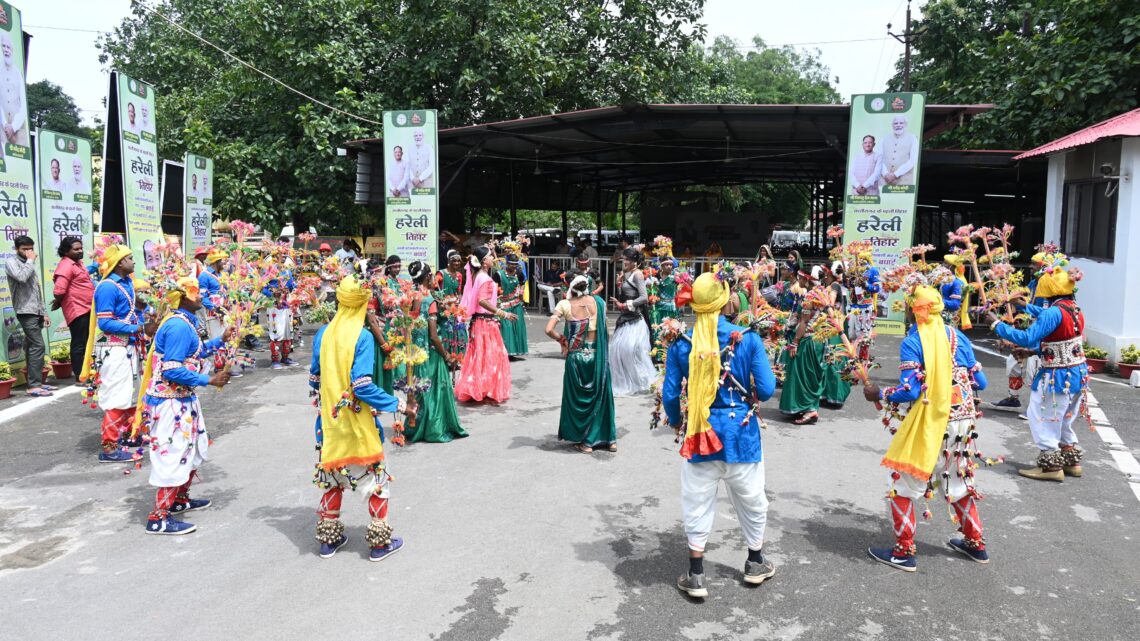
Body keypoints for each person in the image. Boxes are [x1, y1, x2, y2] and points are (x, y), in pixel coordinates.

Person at [862, 284, 990, 571]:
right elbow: (981, 384)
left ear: (914, 310)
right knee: (958, 483)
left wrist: (879, 394)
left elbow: (910, 391)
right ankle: (975, 543)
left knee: (903, 485)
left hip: (932, 423)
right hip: (963, 423)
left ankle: (904, 551)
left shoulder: (914, 341)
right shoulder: (958, 338)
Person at [665, 272, 778, 598]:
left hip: (700, 435)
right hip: (741, 435)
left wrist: (676, 423)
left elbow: (672, 396)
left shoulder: (681, 344)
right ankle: (755, 562)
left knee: (696, 501)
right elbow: (768, 390)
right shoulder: (749, 339)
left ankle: (696, 573)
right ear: (725, 300)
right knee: (753, 500)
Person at [310, 276, 409, 561]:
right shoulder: (363, 337)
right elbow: (362, 385)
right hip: (357, 423)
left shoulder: (324, 334)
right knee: (376, 479)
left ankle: (328, 541)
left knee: (332, 476)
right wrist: (397, 404)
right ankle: (379, 545)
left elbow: (315, 379)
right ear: (363, 304)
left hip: (329, 422)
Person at [134, 277, 234, 535]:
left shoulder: (184, 322)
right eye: (196, 292)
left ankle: (178, 500)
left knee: (192, 449)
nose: (201, 296)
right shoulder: (178, 326)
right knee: (174, 454)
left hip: (182, 400)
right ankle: (159, 517)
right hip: (170, 403)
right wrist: (208, 379)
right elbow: (172, 369)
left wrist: (221, 339)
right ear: (184, 298)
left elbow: (196, 352)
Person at [986, 254, 1088, 482]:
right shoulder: (1073, 308)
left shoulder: (1054, 312)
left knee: (1042, 415)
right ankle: (1070, 460)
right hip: (1076, 373)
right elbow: (1063, 339)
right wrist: (1034, 351)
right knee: (1064, 417)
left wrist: (997, 324)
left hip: (1057, 376)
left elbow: (1027, 336)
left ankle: (1050, 467)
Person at [79, 245, 152, 462]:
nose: (134, 261)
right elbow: (105, 323)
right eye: (130, 258)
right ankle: (109, 449)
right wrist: (138, 329)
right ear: (120, 262)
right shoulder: (108, 287)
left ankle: (132, 435)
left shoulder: (128, 282)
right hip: (113, 348)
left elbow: (129, 314)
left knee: (131, 393)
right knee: (116, 397)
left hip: (128, 347)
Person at [546, 275, 616, 453]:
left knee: (577, 399)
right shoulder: (599, 303)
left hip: (576, 357)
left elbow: (548, 329)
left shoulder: (564, 304)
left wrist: (562, 340)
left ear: (569, 287)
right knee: (601, 396)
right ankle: (609, 440)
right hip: (597, 356)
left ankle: (585, 441)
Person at [403, 261, 467, 443]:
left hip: (414, 350)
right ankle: (434, 428)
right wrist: (446, 355)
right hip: (431, 353)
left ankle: (415, 425)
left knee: (419, 389)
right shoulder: (429, 301)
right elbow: (433, 335)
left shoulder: (410, 297)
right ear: (428, 277)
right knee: (435, 390)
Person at [454, 247, 513, 403]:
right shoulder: (485, 278)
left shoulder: (478, 275)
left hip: (480, 321)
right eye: (489, 257)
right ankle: (482, 388)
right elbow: (482, 300)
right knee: (494, 355)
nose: (493, 259)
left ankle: (478, 388)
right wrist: (503, 313)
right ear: (484, 262)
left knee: (480, 356)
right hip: (485, 322)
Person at [5, 235, 53, 396]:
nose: (28, 252)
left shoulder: (29, 264)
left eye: (30, 248)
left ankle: (36, 383)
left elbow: (36, 290)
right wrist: (30, 261)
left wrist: (44, 312)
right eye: (24, 249)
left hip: (36, 310)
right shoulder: (12, 262)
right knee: (38, 346)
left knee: (32, 346)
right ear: (17, 248)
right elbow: (21, 277)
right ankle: (33, 385)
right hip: (25, 310)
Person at [779, 269, 827, 424]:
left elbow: (804, 322)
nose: (798, 280)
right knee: (810, 376)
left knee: (802, 376)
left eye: (800, 277)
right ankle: (808, 408)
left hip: (807, 341)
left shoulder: (810, 297)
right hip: (818, 339)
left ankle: (810, 409)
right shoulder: (822, 293)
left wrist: (795, 342)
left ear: (807, 279)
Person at [608, 248, 655, 396]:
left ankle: (640, 381)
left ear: (635, 262)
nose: (624, 262)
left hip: (636, 320)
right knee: (618, 349)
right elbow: (627, 294)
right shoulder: (627, 274)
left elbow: (643, 298)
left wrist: (625, 305)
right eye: (623, 259)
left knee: (631, 350)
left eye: (627, 260)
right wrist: (619, 284)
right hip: (626, 319)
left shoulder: (638, 274)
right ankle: (628, 381)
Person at [52, 236, 95, 380]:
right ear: (66, 251)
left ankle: (87, 371)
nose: (80, 251)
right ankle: (79, 375)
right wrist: (59, 301)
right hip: (78, 310)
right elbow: (59, 290)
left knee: (88, 341)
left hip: (87, 308)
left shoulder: (78, 263)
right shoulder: (65, 265)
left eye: (81, 248)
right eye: (76, 249)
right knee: (79, 343)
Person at [820, 263, 852, 409]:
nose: (823, 275)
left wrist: (823, 304)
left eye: (825, 272)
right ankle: (830, 394)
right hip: (833, 326)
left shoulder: (833, 286)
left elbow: (830, 303)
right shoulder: (834, 286)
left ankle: (834, 394)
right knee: (832, 358)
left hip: (832, 327)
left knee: (833, 358)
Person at [434, 250, 468, 362]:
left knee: (459, 332)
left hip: (456, 308)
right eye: (455, 261)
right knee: (446, 331)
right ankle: (447, 359)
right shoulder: (441, 274)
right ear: (449, 261)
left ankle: (457, 358)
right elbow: (434, 290)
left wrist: (460, 304)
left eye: (459, 261)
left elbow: (459, 291)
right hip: (444, 309)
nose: (457, 263)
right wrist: (442, 303)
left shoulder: (459, 275)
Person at [495, 254, 528, 359]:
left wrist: (521, 290)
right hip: (503, 305)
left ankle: (515, 351)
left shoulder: (519, 273)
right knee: (507, 328)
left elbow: (523, 283)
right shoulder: (498, 274)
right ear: (506, 263)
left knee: (518, 328)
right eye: (511, 264)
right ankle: (505, 352)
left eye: (515, 264)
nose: (513, 266)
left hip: (516, 304)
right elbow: (493, 287)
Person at [649, 259, 679, 363]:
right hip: (658, 307)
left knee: (670, 330)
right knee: (657, 330)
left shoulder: (675, 277)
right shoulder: (654, 277)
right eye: (666, 265)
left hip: (670, 307)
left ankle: (669, 355)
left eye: (671, 265)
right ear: (661, 266)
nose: (669, 267)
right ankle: (658, 355)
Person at [0, 32, 28, 146]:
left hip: (17, 131)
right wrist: (5, 124)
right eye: (3, 46)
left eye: (8, 47)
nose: (6, 50)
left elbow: (23, 106)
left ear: (12, 50)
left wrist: (13, 126)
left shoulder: (18, 73)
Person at [881, 115, 919, 187]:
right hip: (884, 180)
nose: (898, 125)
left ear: (906, 124)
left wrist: (895, 174)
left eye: (901, 123)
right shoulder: (884, 138)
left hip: (904, 181)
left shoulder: (912, 138)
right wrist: (885, 174)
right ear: (892, 125)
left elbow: (913, 160)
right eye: (895, 123)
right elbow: (879, 158)